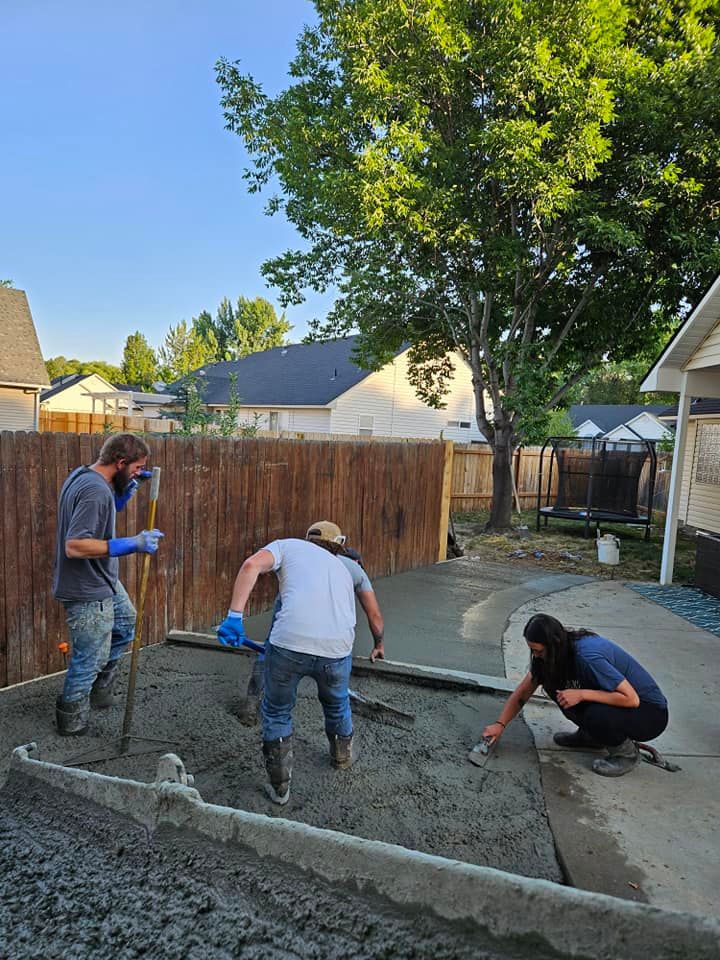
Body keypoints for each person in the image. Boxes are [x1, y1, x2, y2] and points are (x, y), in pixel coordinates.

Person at [216, 520, 385, 805]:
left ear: (307, 539)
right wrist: (379, 643)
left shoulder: (288, 547)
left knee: (278, 711)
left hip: (288, 644)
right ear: (339, 545)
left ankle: (280, 789)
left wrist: (235, 616)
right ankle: (341, 756)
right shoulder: (348, 568)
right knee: (336, 703)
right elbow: (374, 615)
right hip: (337, 648)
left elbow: (250, 566)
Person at [53, 433, 165, 736]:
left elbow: (105, 509)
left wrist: (126, 491)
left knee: (126, 622)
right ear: (120, 462)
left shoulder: (85, 476)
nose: (140, 473)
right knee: (90, 656)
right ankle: (71, 720)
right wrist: (133, 543)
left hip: (103, 580)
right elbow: (74, 546)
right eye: (137, 468)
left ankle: (101, 686)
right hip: (86, 587)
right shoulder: (95, 491)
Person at [481, 613, 668, 777]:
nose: (535, 655)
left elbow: (631, 699)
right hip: (624, 707)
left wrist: (582, 694)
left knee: (594, 711)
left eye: (538, 651)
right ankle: (592, 737)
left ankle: (626, 755)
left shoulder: (587, 656)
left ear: (554, 643)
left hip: (650, 713)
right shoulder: (554, 655)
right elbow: (523, 692)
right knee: (555, 685)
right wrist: (500, 724)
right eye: (532, 650)